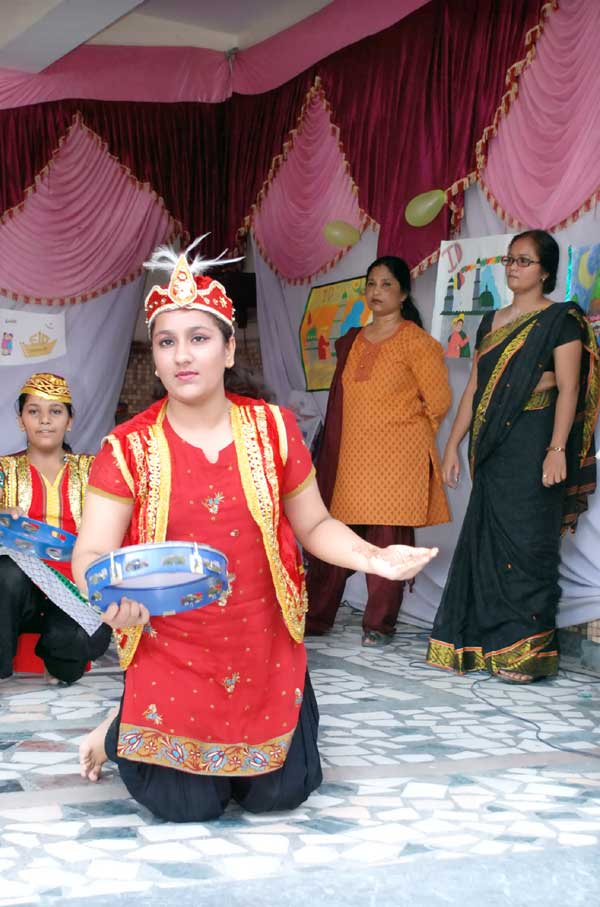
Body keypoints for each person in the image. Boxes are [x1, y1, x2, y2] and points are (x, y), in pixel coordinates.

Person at [73, 240, 438, 823]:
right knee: (187, 808)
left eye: (199, 338)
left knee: (278, 796)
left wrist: (373, 558)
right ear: (156, 356)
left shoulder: (273, 428)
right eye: (166, 342)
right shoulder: (127, 447)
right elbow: (93, 549)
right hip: (171, 650)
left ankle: (137, 718)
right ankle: (122, 722)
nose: (182, 355)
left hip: (262, 645)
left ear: (228, 348)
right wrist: (109, 595)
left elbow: (314, 522)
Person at [427, 230, 599, 683]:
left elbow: (569, 389)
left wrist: (557, 450)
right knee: (488, 543)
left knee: (529, 544)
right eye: (510, 260)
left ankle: (528, 652)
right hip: (493, 447)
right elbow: (475, 387)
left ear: (545, 271)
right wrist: (452, 445)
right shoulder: (491, 321)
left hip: (536, 442)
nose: (513, 268)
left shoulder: (561, 319)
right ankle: (487, 645)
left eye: (524, 261)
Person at [305, 256, 451, 646]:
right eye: (371, 283)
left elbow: (438, 402)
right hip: (352, 459)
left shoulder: (418, 342)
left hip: (396, 462)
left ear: (403, 294)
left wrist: (404, 436)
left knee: (387, 538)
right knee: (336, 534)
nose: (376, 291)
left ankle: (379, 625)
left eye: (387, 284)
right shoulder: (353, 341)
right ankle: (316, 616)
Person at [0, 373, 111, 701]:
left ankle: (54, 656)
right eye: (33, 411)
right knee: (7, 570)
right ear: (20, 420)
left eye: (55, 411)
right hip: (15, 587)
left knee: (79, 646)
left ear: (70, 421)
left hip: (72, 583)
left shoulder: (93, 468)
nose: (45, 420)